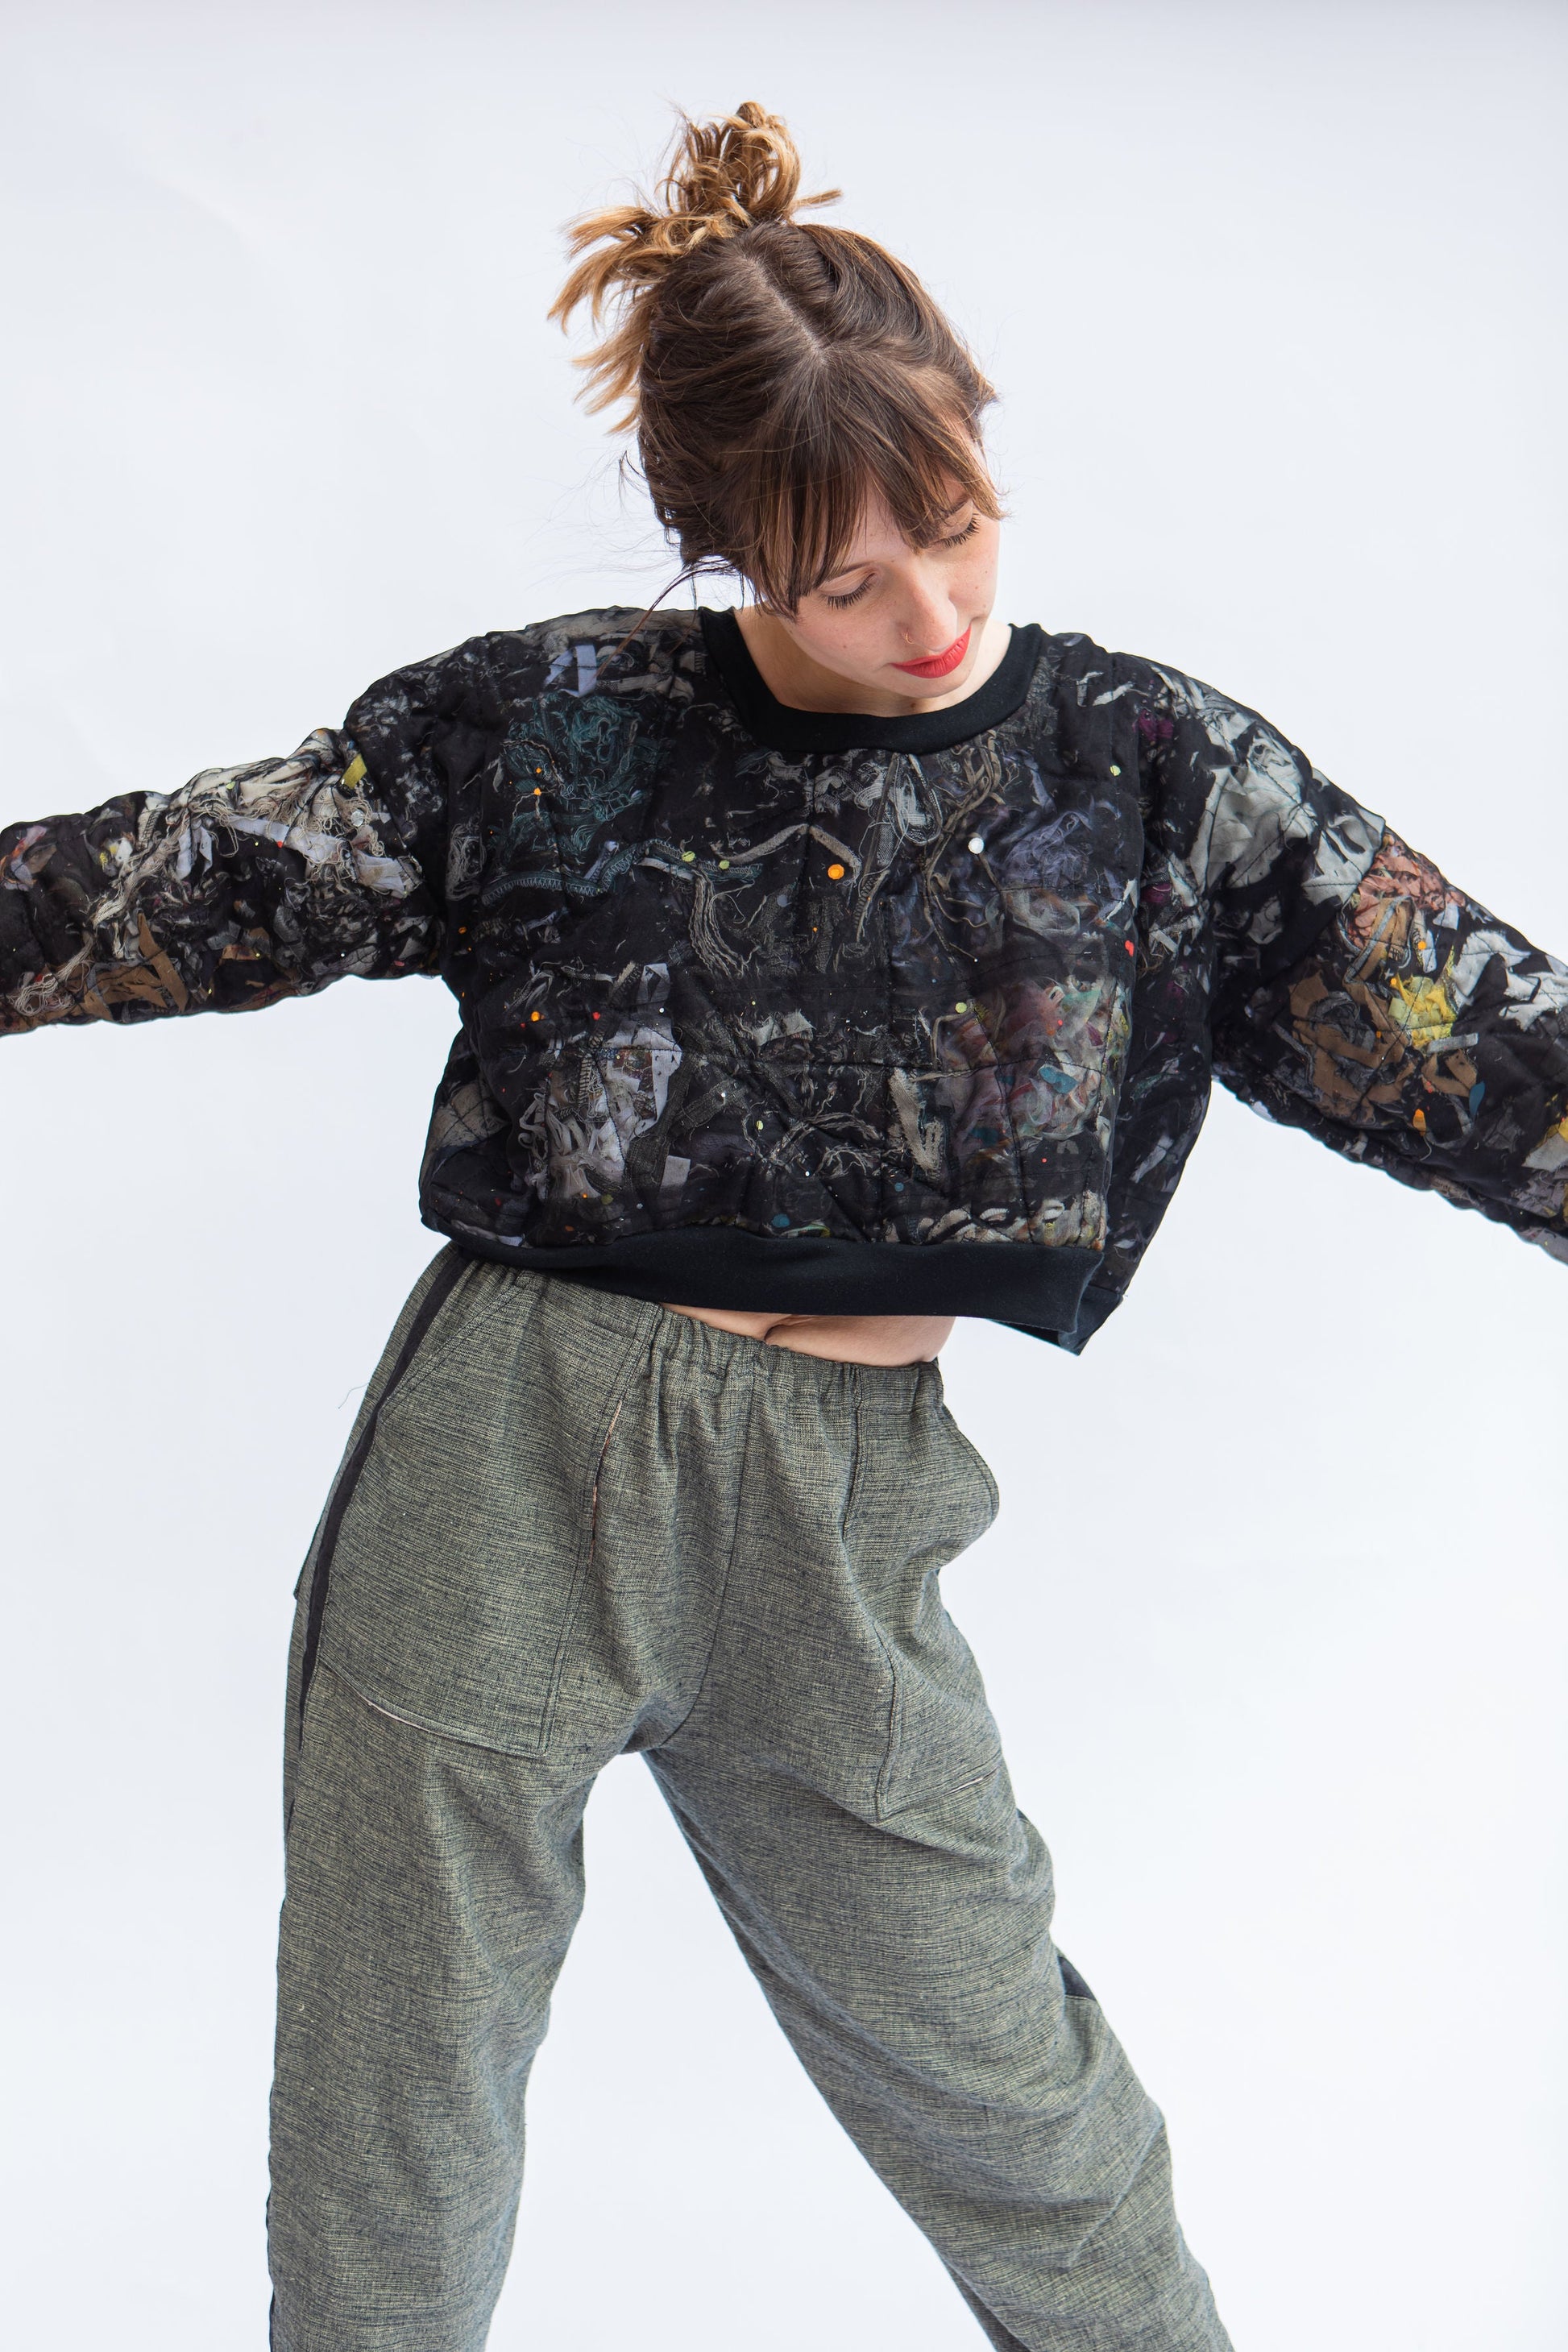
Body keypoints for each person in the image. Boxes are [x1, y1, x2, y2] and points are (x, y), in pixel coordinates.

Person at [2, 96, 1564, 2352]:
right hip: (508, 1469)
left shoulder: (1148, 775)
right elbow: (172, 889)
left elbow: (1472, 1042)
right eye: (845, 581)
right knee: (394, 2127)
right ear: (725, 549)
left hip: (840, 1518)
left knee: (1023, 2120)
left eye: (958, 524)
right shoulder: (545, 730)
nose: (929, 614)